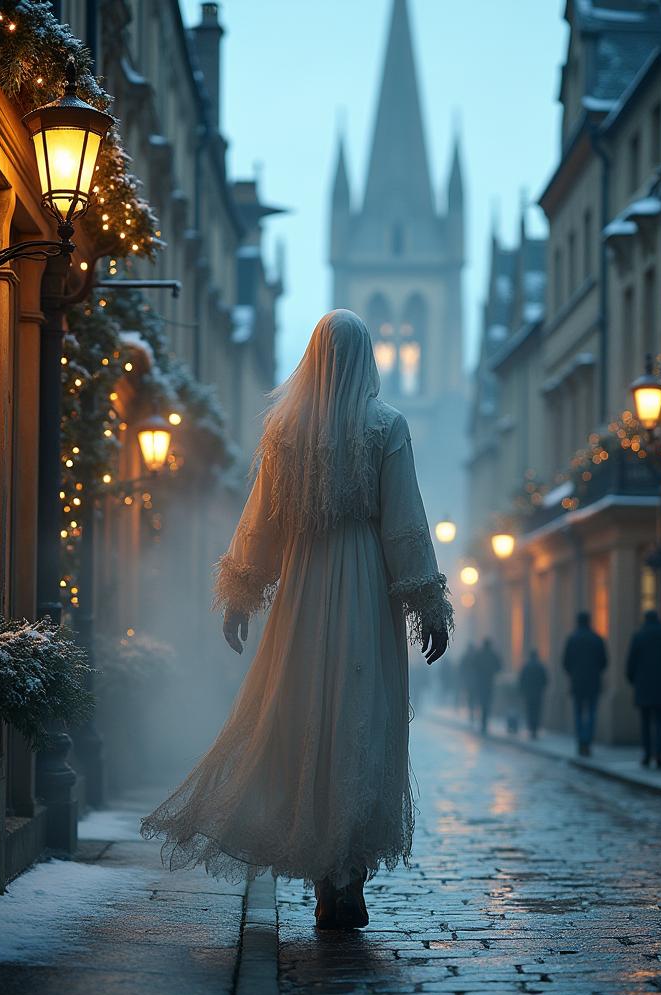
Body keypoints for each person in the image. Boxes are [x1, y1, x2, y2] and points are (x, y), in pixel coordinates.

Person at [141, 310, 453, 930]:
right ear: (367, 359)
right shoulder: (386, 427)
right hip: (367, 593)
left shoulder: (285, 432)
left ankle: (323, 880)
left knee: (304, 718)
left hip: (304, 594)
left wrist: (240, 594)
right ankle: (347, 880)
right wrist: (427, 605)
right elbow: (405, 525)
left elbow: (262, 523)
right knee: (358, 722)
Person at [626, 609, 661, 768]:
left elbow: (630, 663)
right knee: (660, 721)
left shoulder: (638, 636)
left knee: (645, 722)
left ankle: (647, 754)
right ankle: (659, 754)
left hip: (643, 685)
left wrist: (633, 680)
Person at [562, 611, 607, 756]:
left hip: (577, 682)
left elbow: (565, 662)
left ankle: (581, 741)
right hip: (593, 682)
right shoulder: (597, 639)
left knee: (578, 713)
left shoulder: (572, 639)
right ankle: (587, 741)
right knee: (592, 713)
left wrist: (573, 673)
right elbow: (604, 661)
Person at [465, 638, 501, 735]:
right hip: (489, 682)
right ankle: (485, 722)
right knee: (487, 702)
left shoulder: (479, 655)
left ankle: (483, 722)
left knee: (482, 702)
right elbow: (499, 666)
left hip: (480, 683)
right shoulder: (492, 655)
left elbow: (473, 666)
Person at [518, 649, 548, 739]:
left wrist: (523, 690)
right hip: (538, 692)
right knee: (537, 711)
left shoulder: (526, 666)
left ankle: (531, 728)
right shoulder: (540, 666)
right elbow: (545, 680)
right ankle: (535, 728)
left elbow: (521, 680)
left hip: (529, 693)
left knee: (530, 710)